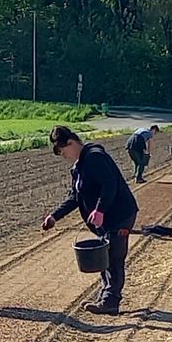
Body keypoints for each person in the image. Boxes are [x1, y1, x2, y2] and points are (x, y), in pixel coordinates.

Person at [41, 123, 138, 314]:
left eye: (63, 152)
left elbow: (109, 184)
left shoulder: (94, 157)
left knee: (113, 258)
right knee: (104, 257)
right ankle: (106, 296)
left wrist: (100, 209)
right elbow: (75, 197)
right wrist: (55, 216)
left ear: (70, 143)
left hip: (119, 214)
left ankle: (110, 302)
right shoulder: (79, 167)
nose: (64, 157)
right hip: (106, 219)